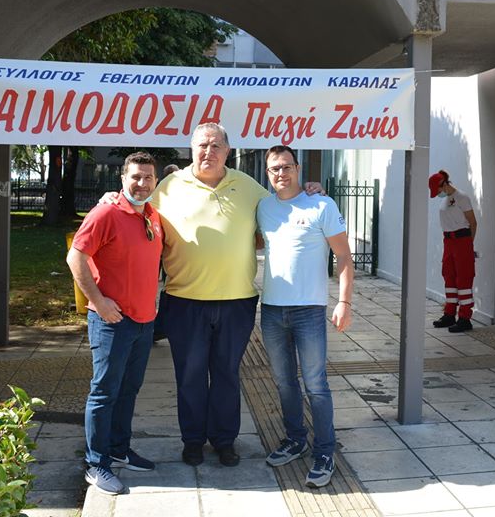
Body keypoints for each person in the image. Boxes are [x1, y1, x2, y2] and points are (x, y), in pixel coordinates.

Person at [99, 123, 323, 467]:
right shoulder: (169, 186)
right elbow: (134, 206)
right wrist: (112, 198)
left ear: (228, 151)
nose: (209, 151)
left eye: (216, 145)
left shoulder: (248, 186)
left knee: (227, 374)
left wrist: (310, 192)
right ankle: (192, 441)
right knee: (189, 376)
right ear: (191, 149)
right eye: (202, 145)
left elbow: (284, 206)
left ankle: (224, 440)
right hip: (184, 301)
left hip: (237, 301)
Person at [66, 151, 164, 495]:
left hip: (143, 321)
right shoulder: (105, 212)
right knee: (104, 392)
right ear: (123, 179)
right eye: (135, 176)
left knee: (128, 389)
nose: (142, 183)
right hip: (112, 322)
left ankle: (119, 449)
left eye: (148, 177)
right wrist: (97, 301)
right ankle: (96, 463)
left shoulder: (152, 215)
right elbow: (75, 257)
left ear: (155, 181)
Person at [257, 145, 354, 489]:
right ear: (267, 173)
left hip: (309, 311)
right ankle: (295, 439)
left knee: (316, 385)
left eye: (286, 166)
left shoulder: (322, 205)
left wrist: (344, 302)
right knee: (284, 382)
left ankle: (324, 452)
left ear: (298, 168)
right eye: (274, 168)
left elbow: (344, 256)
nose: (281, 173)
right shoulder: (263, 207)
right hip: (272, 310)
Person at [428, 170, 478, 333]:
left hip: (462, 240)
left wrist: (468, 245)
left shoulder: (462, 197)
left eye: (437, 190)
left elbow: (473, 223)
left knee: (464, 278)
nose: (438, 194)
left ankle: (465, 318)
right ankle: (449, 314)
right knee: (448, 276)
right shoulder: (445, 200)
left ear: (443, 184)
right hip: (448, 241)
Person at [152, 163, 183, 343]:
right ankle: (155, 327)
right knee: (156, 288)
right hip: (157, 250)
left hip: (171, 251)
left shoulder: (185, 195)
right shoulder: (158, 195)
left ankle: (160, 327)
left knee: (169, 287)